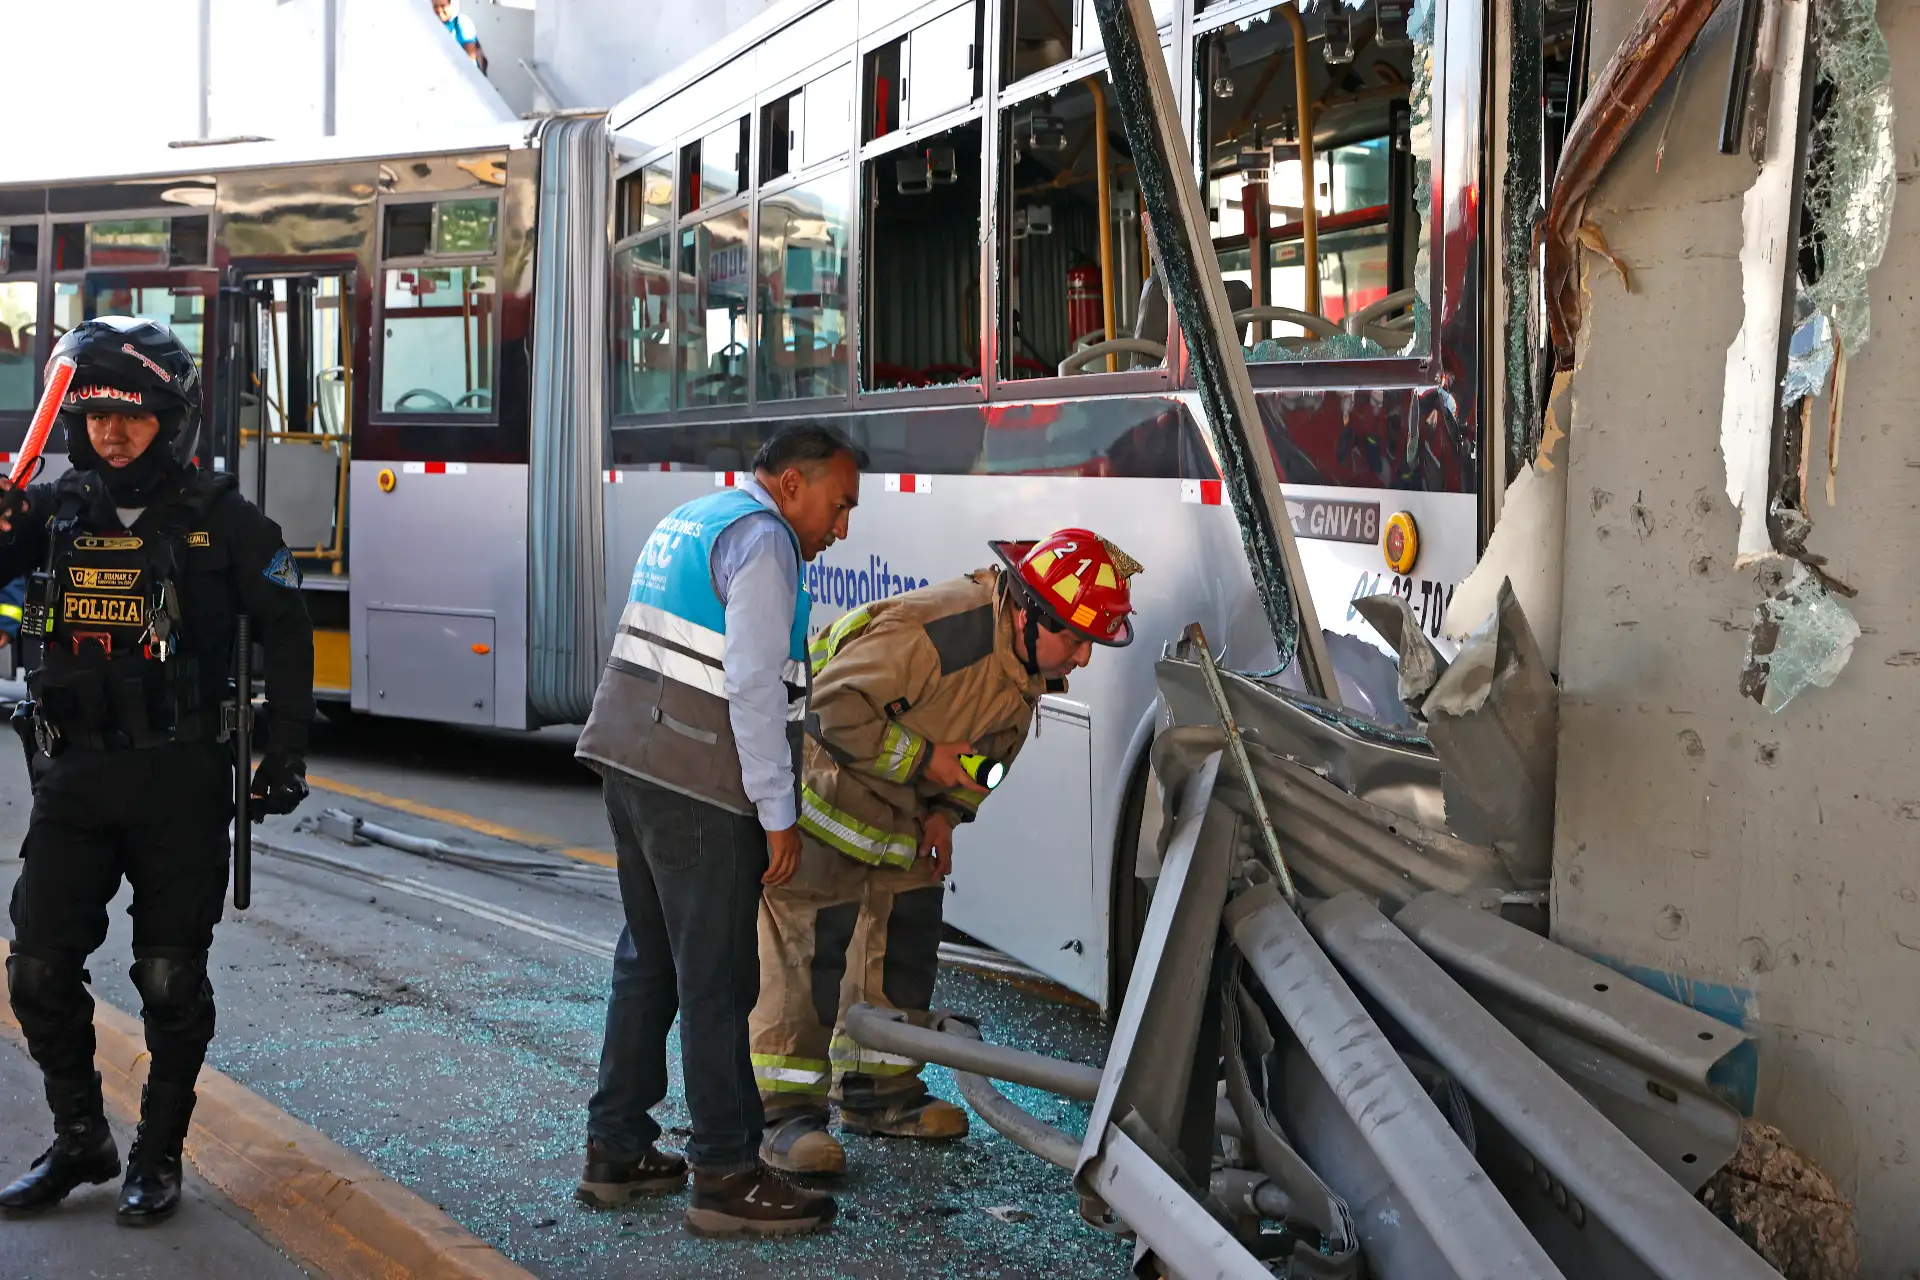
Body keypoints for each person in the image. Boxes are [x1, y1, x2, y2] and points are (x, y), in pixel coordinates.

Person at [0, 318, 313, 1224]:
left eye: (132, 416)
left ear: (167, 419)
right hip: (73, 780)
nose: (112, 432)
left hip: (180, 780)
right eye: (96, 416)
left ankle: (157, 1156)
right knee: (37, 975)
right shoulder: (54, 510)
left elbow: (288, 634)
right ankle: (80, 1138)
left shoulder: (224, 519)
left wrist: (283, 750)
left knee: (171, 978)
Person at [750, 529, 1140, 1175]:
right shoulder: (934, 632)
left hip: (902, 812)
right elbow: (834, 706)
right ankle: (783, 1116)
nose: (1082, 659)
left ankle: (880, 1093)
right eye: (1074, 639)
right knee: (809, 957)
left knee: (903, 942)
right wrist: (929, 760)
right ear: (1027, 613)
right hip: (820, 800)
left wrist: (948, 813)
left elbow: (991, 757)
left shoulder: (1024, 660)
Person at [574, 425, 864, 1236]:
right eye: (838, 506)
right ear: (794, 485)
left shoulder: (695, 519)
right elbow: (753, 690)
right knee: (718, 980)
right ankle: (727, 1174)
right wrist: (779, 815)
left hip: (628, 757)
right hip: (695, 781)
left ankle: (618, 1149)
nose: (840, 529)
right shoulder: (766, 544)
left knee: (652, 961)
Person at [431, 0, 488, 73]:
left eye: (443, 6)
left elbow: (471, 55)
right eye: (435, 6)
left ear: (450, 5)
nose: (439, 10)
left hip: (466, 76)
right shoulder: (434, 26)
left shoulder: (461, 21)